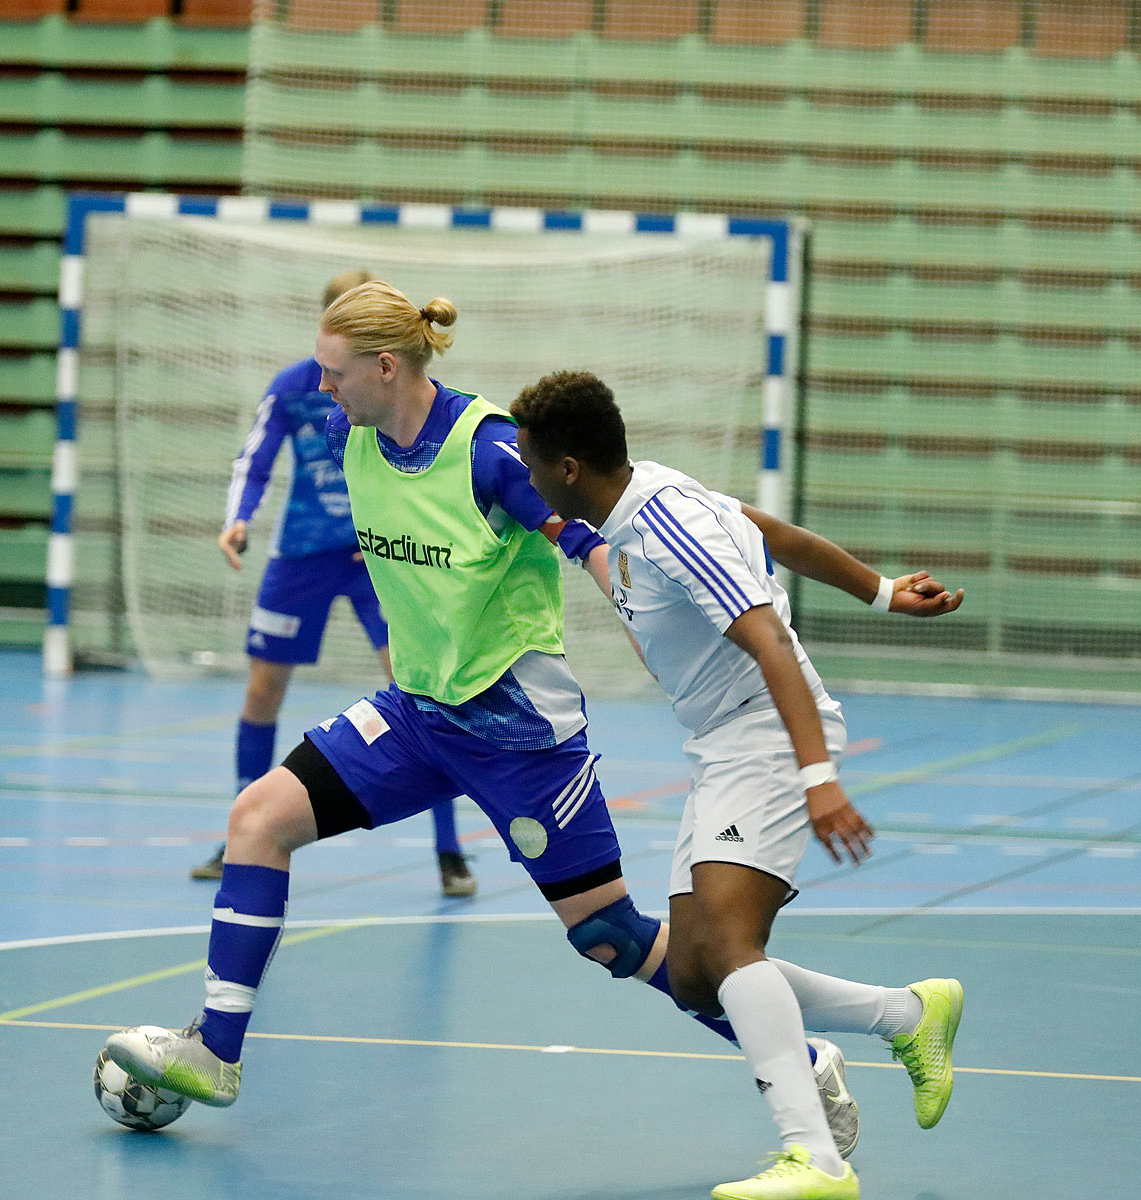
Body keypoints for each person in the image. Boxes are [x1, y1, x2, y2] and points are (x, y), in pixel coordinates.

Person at [105, 284, 855, 1155]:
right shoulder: (350, 433)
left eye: (334, 371)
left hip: (518, 732)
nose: (321, 386)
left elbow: (589, 539)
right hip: (418, 713)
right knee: (257, 820)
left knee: (608, 938)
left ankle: (801, 1057)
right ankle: (216, 1054)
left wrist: (650, 614)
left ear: (387, 368)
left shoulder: (492, 451)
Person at [510, 369, 967, 1200]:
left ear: (569, 467)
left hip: (766, 732)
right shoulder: (646, 501)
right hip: (723, 743)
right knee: (692, 971)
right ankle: (908, 1015)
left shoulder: (668, 525)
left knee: (729, 946)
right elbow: (774, 535)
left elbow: (772, 644)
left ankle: (817, 1163)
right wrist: (883, 591)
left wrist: (817, 776)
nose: (525, 472)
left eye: (532, 462)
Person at [189, 269, 475, 901]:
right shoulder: (296, 388)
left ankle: (450, 851)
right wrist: (239, 519)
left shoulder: (404, 391)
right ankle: (240, 832)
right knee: (262, 691)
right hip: (303, 555)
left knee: (421, 689)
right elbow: (256, 455)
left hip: (382, 554)